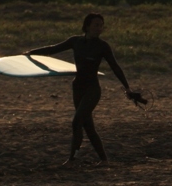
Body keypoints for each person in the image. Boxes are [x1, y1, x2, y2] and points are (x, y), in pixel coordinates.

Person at [23, 13, 145, 167]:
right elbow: (53, 49)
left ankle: (73, 160)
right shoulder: (75, 41)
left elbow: (115, 67)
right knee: (88, 126)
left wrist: (127, 88)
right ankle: (104, 160)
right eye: (96, 25)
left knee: (76, 121)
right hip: (78, 87)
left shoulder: (103, 46)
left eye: (101, 25)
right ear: (87, 26)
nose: (99, 28)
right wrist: (31, 53)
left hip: (92, 89)